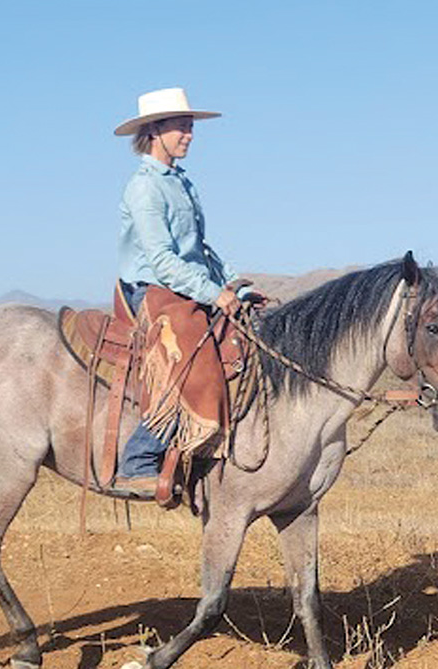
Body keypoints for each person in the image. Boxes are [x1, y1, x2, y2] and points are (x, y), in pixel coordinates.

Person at [112, 87, 263, 495]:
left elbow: (199, 248)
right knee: (189, 355)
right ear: (155, 130)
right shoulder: (144, 187)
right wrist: (214, 295)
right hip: (154, 289)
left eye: (191, 127)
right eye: (182, 126)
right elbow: (162, 260)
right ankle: (139, 458)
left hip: (189, 284)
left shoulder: (182, 182)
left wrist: (233, 282)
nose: (190, 135)